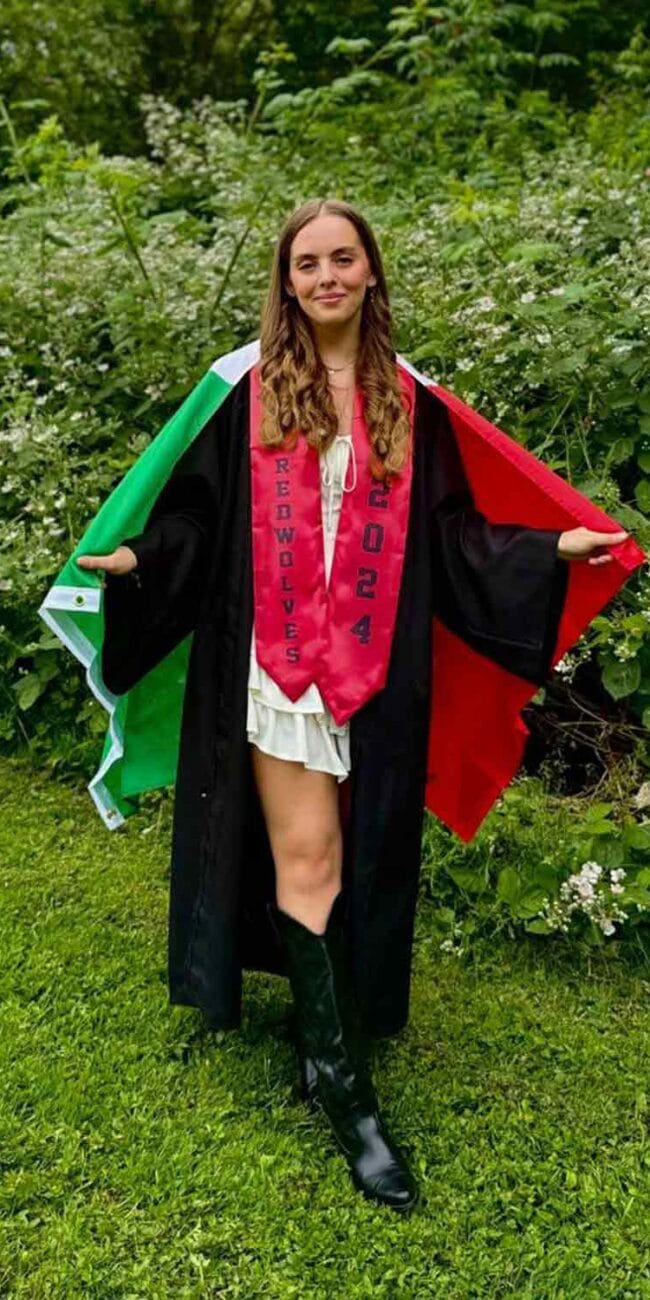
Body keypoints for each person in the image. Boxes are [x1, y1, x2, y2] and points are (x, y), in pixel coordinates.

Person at [74, 197, 635, 1213]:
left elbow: (454, 536)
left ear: (370, 270)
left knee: (358, 848)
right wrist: (141, 559)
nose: (326, 277)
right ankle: (344, 1091)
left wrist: (550, 548)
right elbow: (198, 513)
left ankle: (318, 1031)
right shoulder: (245, 389)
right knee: (311, 856)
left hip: (375, 666)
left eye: (343, 258)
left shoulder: (408, 399)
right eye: (307, 264)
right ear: (285, 282)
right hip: (278, 663)